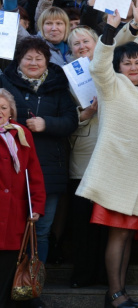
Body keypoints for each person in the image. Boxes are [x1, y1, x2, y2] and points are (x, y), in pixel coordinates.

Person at [77, 9, 138, 308]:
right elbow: (99, 65)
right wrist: (110, 32)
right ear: (118, 66)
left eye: (137, 61)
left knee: (127, 237)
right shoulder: (112, 85)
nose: (133, 66)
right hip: (117, 173)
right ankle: (115, 294)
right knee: (117, 236)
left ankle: (120, 290)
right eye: (126, 62)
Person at [0, 36, 78, 265]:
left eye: (39, 58)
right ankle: (8, 287)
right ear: (19, 60)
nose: (33, 63)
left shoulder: (58, 86)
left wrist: (47, 124)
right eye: (28, 58)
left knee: (41, 231)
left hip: (48, 169)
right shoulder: (5, 83)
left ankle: (32, 288)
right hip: (11, 170)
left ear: (47, 61)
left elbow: (71, 120)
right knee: (9, 229)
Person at [66, 26, 108, 289]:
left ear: (96, 43)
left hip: (110, 154)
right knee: (82, 221)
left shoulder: (112, 69)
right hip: (82, 153)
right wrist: (82, 116)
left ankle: (105, 275)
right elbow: (63, 115)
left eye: (86, 41)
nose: (81, 46)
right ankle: (82, 274)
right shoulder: (67, 76)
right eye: (76, 44)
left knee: (104, 221)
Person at [0, 89, 45, 307]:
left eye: (3, 107)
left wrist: (36, 205)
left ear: (11, 113)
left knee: (9, 269)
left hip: (14, 216)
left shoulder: (21, 134)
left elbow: (34, 173)